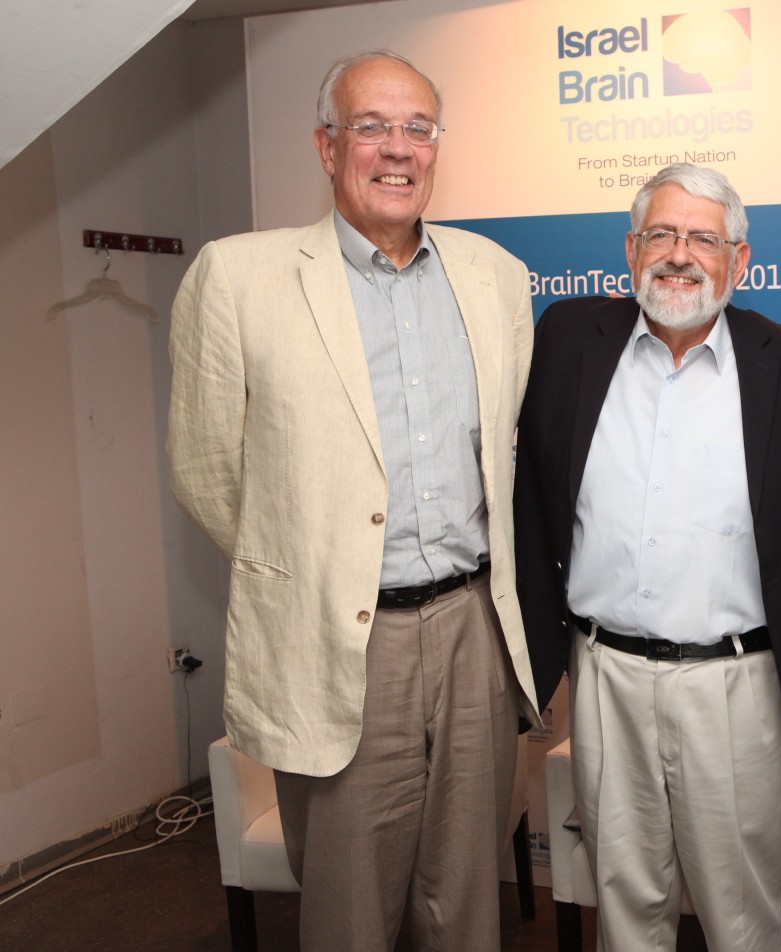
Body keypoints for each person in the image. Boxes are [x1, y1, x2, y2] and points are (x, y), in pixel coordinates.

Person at [168, 50, 538, 951]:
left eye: (418, 128)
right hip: (339, 643)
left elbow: (508, 451)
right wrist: (310, 569)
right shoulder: (239, 276)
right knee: (348, 911)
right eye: (371, 126)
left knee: (467, 903)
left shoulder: (495, 275)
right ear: (326, 146)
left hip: (472, 635)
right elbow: (208, 471)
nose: (397, 149)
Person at [514, 163, 781, 952]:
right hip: (603, 677)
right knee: (622, 899)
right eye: (661, 234)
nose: (679, 255)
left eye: (702, 238)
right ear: (630, 248)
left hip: (736, 686)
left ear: (740, 260)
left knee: (740, 911)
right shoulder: (566, 338)